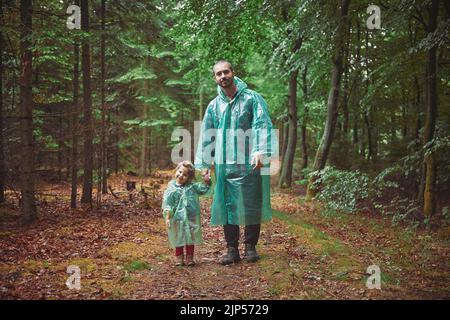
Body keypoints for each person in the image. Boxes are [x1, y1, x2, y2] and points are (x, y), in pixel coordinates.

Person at [195, 60, 277, 265]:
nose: (222, 76)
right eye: (218, 74)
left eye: (226, 72)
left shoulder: (252, 99)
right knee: (227, 203)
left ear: (233, 72)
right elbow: (208, 135)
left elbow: (262, 124)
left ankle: (250, 247)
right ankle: (232, 249)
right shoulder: (214, 106)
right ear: (215, 78)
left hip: (250, 162)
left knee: (251, 202)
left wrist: (260, 150)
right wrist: (206, 163)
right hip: (225, 163)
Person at [162, 161, 211, 266]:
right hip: (177, 217)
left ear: (189, 177)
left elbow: (202, 189)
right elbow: (167, 203)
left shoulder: (192, 186)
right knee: (178, 236)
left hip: (190, 216)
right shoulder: (171, 188)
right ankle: (179, 257)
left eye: (185, 175)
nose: (181, 175)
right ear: (176, 171)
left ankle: (190, 257)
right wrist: (167, 215)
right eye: (180, 172)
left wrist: (207, 182)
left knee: (190, 236)